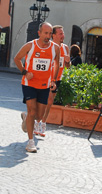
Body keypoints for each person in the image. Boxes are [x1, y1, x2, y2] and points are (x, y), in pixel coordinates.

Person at [14, 22, 60, 153]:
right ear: (39, 33)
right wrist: (24, 72)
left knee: (39, 116)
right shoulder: (30, 46)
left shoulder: (55, 48)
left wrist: (54, 79)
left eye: (50, 33)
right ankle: (30, 142)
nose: (48, 36)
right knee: (33, 110)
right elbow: (17, 59)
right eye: (45, 33)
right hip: (29, 84)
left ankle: (26, 117)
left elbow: (56, 63)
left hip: (44, 85)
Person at [40, 25, 70, 137]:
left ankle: (39, 121)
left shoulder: (65, 48)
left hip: (58, 78)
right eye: (60, 33)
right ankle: (41, 123)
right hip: (47, 77)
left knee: (49, 102)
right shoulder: (49, 46)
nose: (63, 35)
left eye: (63, 33)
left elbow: (68, 66)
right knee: (48, 99)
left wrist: (68, 61)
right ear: (53, 35)